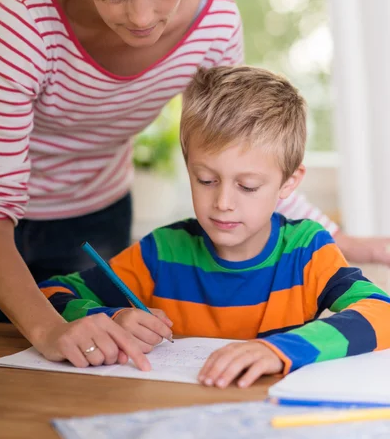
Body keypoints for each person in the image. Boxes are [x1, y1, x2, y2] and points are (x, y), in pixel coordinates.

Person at [0, 0, 387, 358]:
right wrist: (47, 328)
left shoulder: (213, 27)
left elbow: (243, 155)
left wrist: (354, 245)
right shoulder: (20, 16)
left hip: (96, 210)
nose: (141, 18)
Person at [38, 66, 390, 385]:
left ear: (288, 183)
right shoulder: (161, 251)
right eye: (205, 180)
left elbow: (382, 312)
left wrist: (276, 350)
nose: (223, 202)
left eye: (247, 186)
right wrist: (111, 318)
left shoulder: (306, 250)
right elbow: (48, 295)